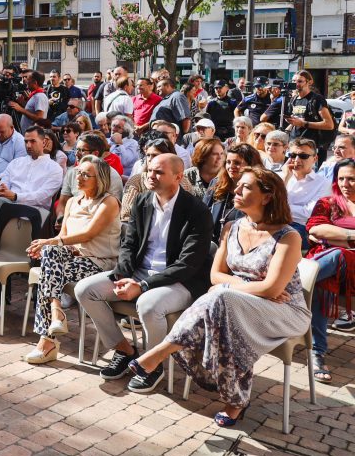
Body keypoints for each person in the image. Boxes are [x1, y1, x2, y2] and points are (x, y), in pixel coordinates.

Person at [129, 168, 307, 423]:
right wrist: (240, 286)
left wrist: (229, 287)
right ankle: (234, 399)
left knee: (221, 300)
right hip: (238, 305)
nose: (236, 190)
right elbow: (215, 276)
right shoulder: (232, 226)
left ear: (267, 197)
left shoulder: (288, 236)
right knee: (223, 307)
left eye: (245, 187)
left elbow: (272, 290)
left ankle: (160, 352)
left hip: (285, 312)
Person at [75, 154, 213, 389]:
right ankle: (124, 349)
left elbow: (188, 264)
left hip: (179, 281)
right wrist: (122, 275)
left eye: (158, 172)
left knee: (148, 304)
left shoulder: (196, 211)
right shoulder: (142, 201)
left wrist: (143, 286)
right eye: (149, 170)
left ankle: (152, 364)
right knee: (85, 290)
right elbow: (129, 244)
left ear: (178, 177)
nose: (150, 175)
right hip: (139, 273)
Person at [25, 155, 122, 364]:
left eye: (87, 174)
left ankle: (47, 340)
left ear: (101, 179)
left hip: (100, 262)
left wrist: (50, 242)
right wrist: (52, 245)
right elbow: (65, 240)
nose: (80, 177)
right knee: (50, 254)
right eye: (79, 172)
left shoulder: (109, 202)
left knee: (47, 269)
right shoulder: (72, 202)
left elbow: (88, 235)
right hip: (74, 259)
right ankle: (56, 311)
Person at [305, 158, 355, 382]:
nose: (346, 183)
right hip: (328, 267)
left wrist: (332, 235)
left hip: (351, 271)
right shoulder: (328, 203)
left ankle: (291, 283)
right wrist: (351, 237)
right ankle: (318, 355)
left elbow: (322, 233)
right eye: (341, 178)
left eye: (352, 179)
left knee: (336, 255)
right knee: (324, 282)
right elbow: (314, 229)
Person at [55, 134, 124, 230]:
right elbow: (62, 202)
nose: (77, 154)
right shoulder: (72, 172)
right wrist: (61, 217)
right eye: (76, 149)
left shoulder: (111, 175)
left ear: (95, 153)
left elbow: (109, 211)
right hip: (73, 222)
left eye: (82, 150)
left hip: (99, 227)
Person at [203, 143, 263, 243]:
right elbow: (203, 212)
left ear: (251, 165)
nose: (231, 166)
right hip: (211, 244)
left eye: (237, 163)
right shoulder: (217, 183)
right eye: (228, 162)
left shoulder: (258, 190)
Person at [280, 138, 330, 244]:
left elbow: (308, 213)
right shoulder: (280, 176)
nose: (297, 160)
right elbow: (266, 204)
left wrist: (277, 208)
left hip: (300, 227)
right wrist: (284, 180)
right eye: (292, 155)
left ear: (315, 159)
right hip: (274, 222)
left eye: (303, 156)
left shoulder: (323, 183)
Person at [284, 70, 335, 163]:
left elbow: (329, 124)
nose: (296, 84)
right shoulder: (294, 99)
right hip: (295, 144)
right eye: (294, 81)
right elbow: (296, 120)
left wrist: (303, 123)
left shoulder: (316, 99)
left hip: (312, 147)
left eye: (300, 81)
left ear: (309, 82)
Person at [0, 114, 26, 178]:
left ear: (12, 128)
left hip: (5, 180)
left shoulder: (20, 142)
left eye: (2, 132)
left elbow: (17, 169)